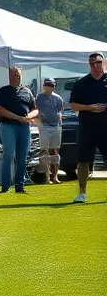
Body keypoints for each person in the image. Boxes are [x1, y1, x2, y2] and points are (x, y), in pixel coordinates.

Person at [70, 52, 107, 203]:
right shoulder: (81, 83)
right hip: (87, 127)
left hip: (105, 127)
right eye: (91, 63)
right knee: (83, 160)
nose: (94, 66)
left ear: (103, 62)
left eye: (97, 62)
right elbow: (73, 105)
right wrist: (89, 107)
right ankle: (82, 193)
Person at [0, 67, 37, 194]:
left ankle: (20, 185)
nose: (16, 77)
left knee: (22, 157)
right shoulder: (3, 91)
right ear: (9, 76)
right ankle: (6, 185)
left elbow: (35, 109)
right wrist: (17, 117)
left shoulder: (27, 91)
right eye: (13, 74)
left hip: (24, 127)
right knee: (9, 155)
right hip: (8, 126)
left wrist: (28, 116)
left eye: (18, 74)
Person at [35, 78, 64, 184]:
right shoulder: (39, 97)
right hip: (44, 126)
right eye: (48, 85)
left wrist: (59, 124)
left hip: (55, 126)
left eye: (52, 85)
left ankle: (55, 176)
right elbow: (36, 110)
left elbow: (60, 111)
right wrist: (39, 123)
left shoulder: (58, 98)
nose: (50, 87)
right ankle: (46, 177)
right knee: (44, 151)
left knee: (54, 151)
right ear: (44, 86)